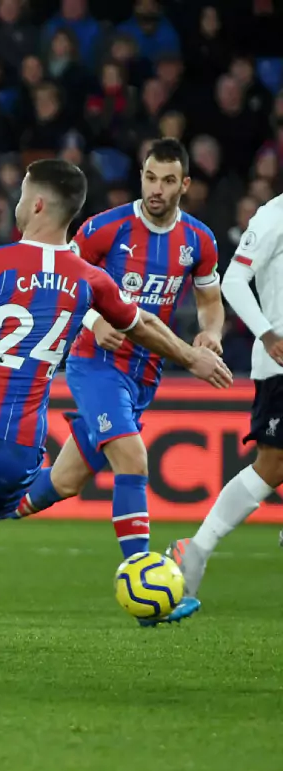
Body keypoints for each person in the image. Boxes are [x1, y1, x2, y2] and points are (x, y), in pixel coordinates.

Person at [0, 159, 231, 654]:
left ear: (36, 203)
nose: (17, 202)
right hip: (23, 448)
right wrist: (190, 356)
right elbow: (139, 323)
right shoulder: (89, 277)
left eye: (20, 193)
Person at [5, 139, 223, 594]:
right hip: (96, 362)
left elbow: (209, 301)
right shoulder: (106, 228)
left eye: (167, 180)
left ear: (184, 184)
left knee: (64, 482)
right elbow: (61, 279)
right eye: (149, 177)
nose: (156, 189)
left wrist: (212, 333)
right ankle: (144, 581)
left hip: (146, 374)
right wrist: (91, 317)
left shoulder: (199, 240)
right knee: (132, 457)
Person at [168, 192, 283, 616]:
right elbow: (233, 280)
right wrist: (267, 334)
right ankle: (195, 549)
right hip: (279, 365)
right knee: (273, 465)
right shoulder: (273, 216)